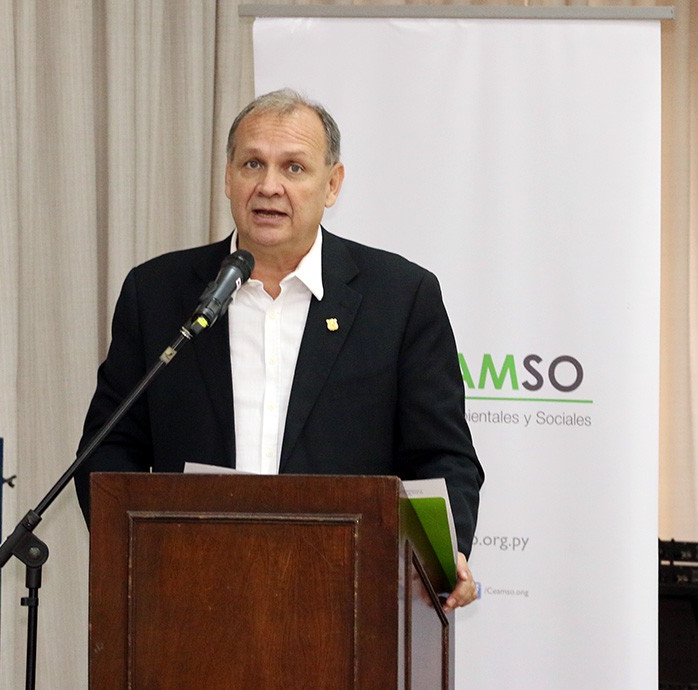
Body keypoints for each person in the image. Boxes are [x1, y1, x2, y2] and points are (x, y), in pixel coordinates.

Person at [74, 89, 484, 611]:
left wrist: (444, 556)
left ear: (332, 184)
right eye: (252, 164)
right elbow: (108, 449)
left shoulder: (400, 298)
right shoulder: (158, 293)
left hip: (350, 602)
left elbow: (441, 456)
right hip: (189, 600)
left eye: (294, 167)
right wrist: (140, 555)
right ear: (228, 177)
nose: (269, 186)